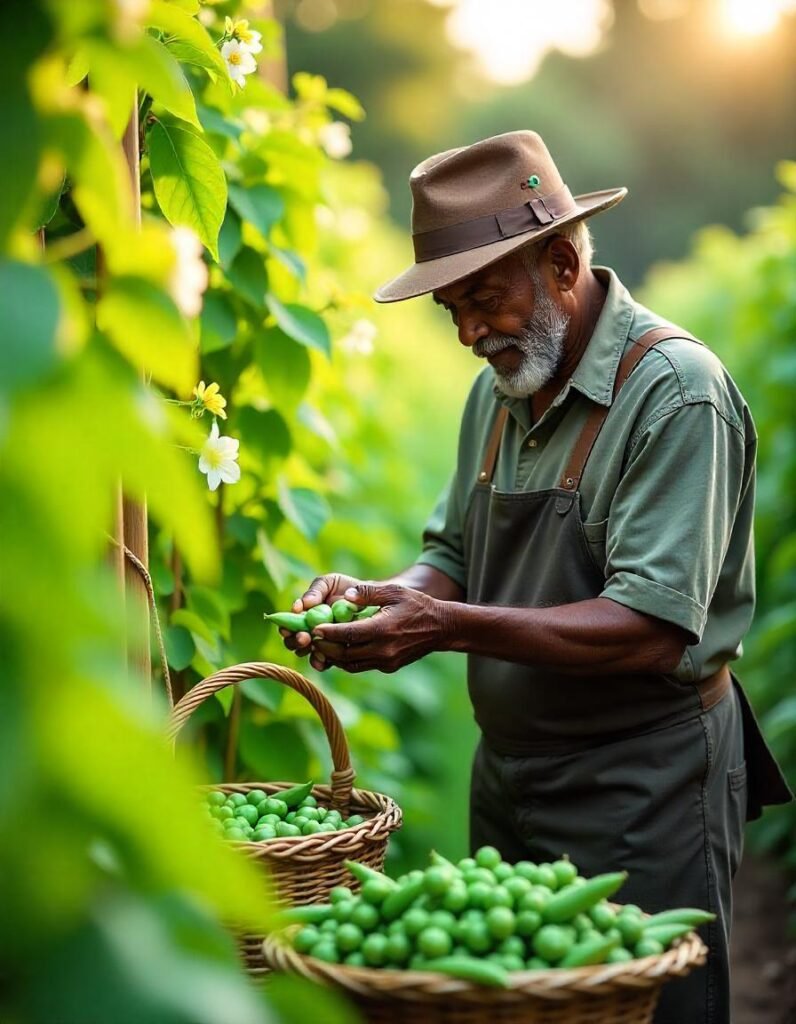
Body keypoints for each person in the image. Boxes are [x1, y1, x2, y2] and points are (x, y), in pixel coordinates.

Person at [279, 131, 792, 1023]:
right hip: (511, 774)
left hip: (645, 783)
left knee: (650, 1008)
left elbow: (649, 627)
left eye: (486, 299)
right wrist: (382, 596)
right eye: (453, 310)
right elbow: (452, 556)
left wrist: (444, 627)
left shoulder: (675, 394)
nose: (473, 333)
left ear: (561, 263)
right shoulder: (504, 387)